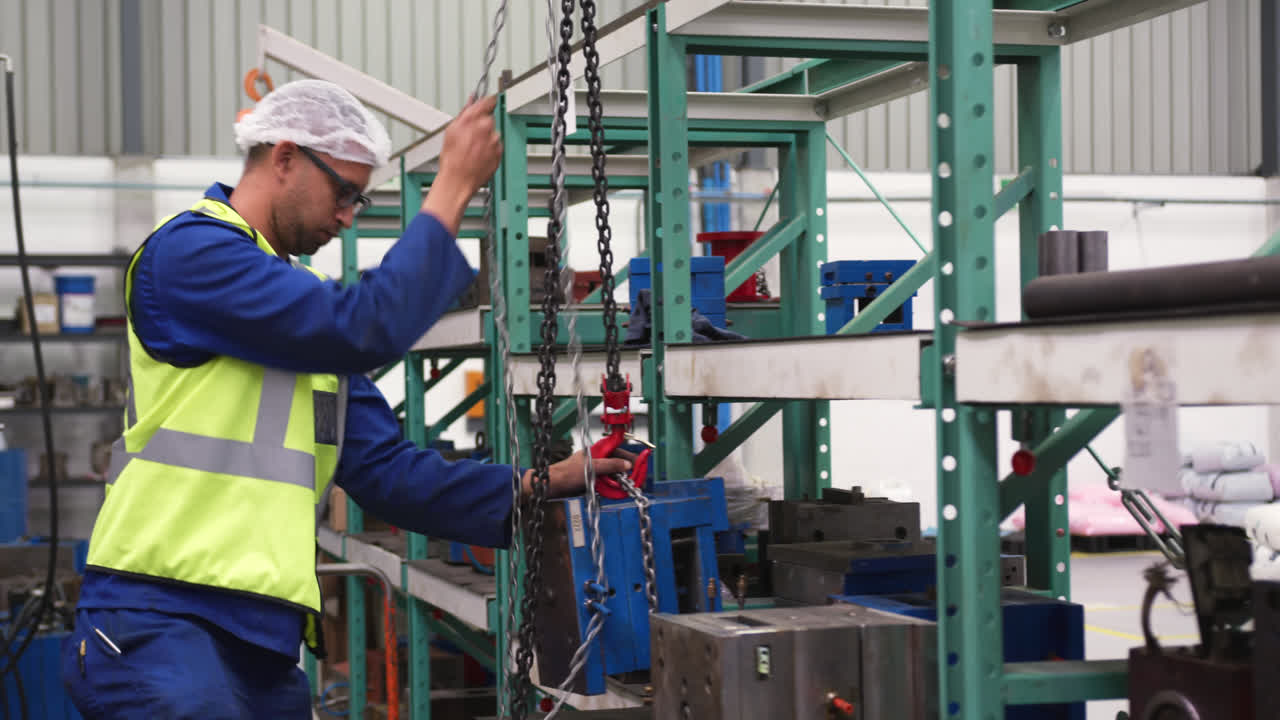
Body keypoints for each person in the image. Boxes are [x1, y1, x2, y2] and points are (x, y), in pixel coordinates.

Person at [59, 79, 630, 719]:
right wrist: (450, 191)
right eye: (344, 191)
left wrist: (537, 483)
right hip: (160, 618)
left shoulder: (295, 308)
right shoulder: (192, 254)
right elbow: (363, 326)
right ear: (284, 158)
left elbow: (385, 473)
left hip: (260, 639)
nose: (350, 215)